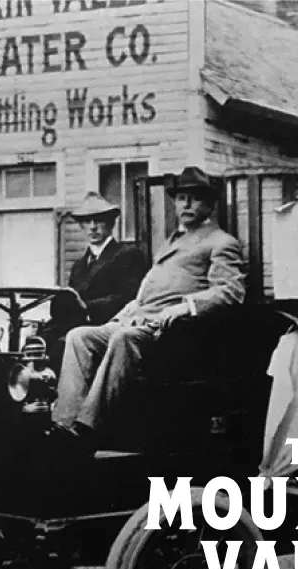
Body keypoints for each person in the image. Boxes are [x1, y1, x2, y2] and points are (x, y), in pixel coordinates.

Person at [51, 166, 246, 445]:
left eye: (195, 198)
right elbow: (146, 294)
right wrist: (120, 316)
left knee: (123, 339)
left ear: (210, 205)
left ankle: (88, 428)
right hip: (137, 319)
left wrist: (186, 306)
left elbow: (231, 291)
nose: (186, 205)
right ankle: (63, 423)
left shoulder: (221, 242)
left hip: (169, 331)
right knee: (79, 336)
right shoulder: (170, 242)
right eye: (181, 198)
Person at [39, 191, 148, 369]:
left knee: (60, 348)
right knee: (34, 346)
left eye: (99, 220)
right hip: (73, 326)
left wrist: (86, 307)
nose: (92, 227)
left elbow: (130, 298)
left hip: (105, 328)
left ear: (112, 223)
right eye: (86, 221)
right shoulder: (79, 265)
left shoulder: (127, 255)